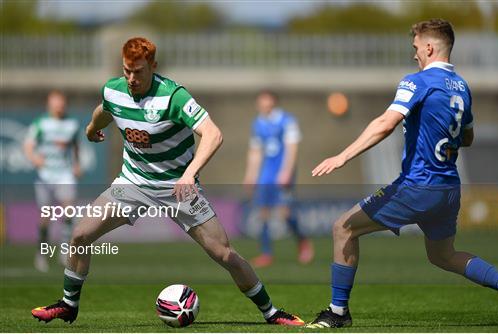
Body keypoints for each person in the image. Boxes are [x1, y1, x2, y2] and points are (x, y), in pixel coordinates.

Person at [31, 37, 304, 326]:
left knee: (223, 253)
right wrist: (90, 128)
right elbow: (105, 110)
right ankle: (68, 305)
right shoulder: (114, 90)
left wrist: (189, 174)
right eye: (127, 71)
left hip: (178, 186)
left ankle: (271, 313)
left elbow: (213, 134)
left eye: (138, 71)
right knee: (80, 235)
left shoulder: (174, 97)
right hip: (132, 183)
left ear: (153, 66)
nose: (132, 79)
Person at [307, 19, 498, 328]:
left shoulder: (417, 82)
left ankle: (337, 313)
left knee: (343, 228)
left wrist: (343, 156)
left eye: (416, 47)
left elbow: (385, 123)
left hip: (418, 185)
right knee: (443, 255)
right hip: (448, 188)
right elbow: (467, 138)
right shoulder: (462, 87)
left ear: (429, 47)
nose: (414, 54)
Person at [243, 90, 314, 268]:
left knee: (285, 213)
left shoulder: (287, 121)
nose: (263, 106)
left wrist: (286, 172)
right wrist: (250, 175)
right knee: (263, 212)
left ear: (274, 103)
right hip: (266, 174)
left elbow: (292, 148)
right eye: (261, 103)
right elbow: (256, 152)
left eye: (266, 102)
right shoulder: (257, 123)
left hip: (282, 171)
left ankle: (303, 241)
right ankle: (266, 254)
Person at [23, 90, 81, 272]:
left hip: (64, 174)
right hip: (45, 175)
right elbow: (28, 145)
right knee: (45, 219)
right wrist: (34, 158)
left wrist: (77, 164)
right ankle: (41, 254)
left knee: (69, 211)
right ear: (49, 104)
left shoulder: (72, 124)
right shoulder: (41, 123)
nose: (59, 106)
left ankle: (64, 252)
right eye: (56, 102)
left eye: (62, 102)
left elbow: (75, 145)